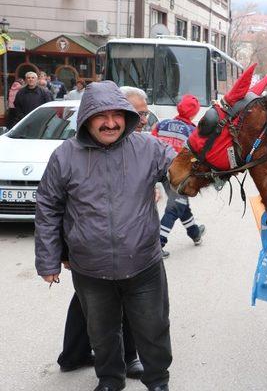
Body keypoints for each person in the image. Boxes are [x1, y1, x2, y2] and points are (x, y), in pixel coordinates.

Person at [35, 81, 175, 391]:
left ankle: (158, 381)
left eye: (117, 115)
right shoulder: (65, 156)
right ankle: (110, 380)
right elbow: (48, 207)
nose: (111, 123)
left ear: (127, 116)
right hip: (90, 269)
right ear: (86, 118)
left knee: (153, 328)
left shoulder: (149, 148)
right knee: (102, 332)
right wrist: (48, 261)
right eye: (102, 116)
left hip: (143, 265)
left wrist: (202, 161)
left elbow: (182, 173)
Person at [152, 94, 206, 257]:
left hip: (160, 171)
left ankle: (195, 233)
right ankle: (159, 243)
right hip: (178, 175)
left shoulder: (162, 124)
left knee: (181, 206)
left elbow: (152, 145)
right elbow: (195, 156)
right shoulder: (193, 131)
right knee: (174, 209)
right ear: (194, 113)